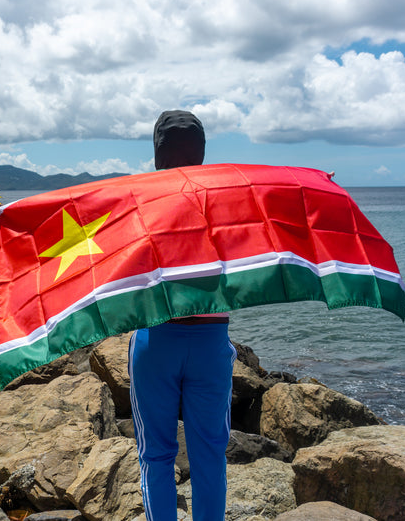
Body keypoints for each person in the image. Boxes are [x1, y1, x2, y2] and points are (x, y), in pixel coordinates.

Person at [128, 110, 236, 521]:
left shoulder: (137, 199)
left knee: (156, 453)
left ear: (157, 153)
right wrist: (316, 189)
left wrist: (13, 219)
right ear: (202, 152)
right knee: (210, 453)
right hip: (211, 340)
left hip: (157, 338)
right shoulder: (227, 198)